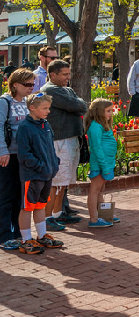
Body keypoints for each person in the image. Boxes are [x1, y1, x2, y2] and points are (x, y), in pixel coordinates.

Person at [15, 92, 64, 254]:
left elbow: (50, 147)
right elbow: (24, 155)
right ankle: (25, 240)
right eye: (44, 108)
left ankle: (41, 235)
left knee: (40, 205)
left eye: (48, 108)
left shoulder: (46, 125)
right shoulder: (24, 127)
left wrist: (54, 163)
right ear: (32, 108)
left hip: (46, 174)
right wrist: (41, 166)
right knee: (27, 207)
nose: (48, 111)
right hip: (32, 175)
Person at [41, 59, 87, 231]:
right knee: (56, 181)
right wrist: (77, 104)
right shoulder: (50, 89)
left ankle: (58, 213)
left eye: (69, 74)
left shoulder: (66, 89)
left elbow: (80, 105)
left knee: (64, 181)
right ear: (53, 74)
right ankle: (47, 217)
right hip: (59, 141)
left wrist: (78, 104)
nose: (68, 77)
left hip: (71, 138)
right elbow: (75, 104)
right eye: (64, 74)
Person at [0, 68, 35, 249]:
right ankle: (4, 235)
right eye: (27, 84)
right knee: (5, 195)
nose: (31, 87)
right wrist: (2, 151)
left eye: (32, 84)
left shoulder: (27, 102)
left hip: (22, 156)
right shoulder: (4, 102)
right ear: (15, 84)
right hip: (8, 156)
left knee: (18, 196)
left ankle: (16, 232)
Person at [84, 99, 118, 228]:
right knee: (95, 190)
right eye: (108, 111)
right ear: (99, 111)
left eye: (111, 110)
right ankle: (93, 219)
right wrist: (104, 166)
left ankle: (104, 215)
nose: (111, 113)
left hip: (106, 163)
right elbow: (96, 148)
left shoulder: (103, 125)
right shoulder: (95, 126)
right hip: (100, 164)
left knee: (100, 191)